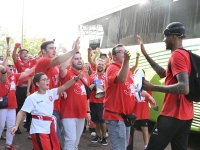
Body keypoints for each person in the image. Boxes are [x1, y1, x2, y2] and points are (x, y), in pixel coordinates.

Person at [137, 22, 193, 150]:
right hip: (186, 115)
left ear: (173, 37)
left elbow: (184, 87)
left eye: (165, 37)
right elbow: (164, 73)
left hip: (172, 114)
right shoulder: (186, 54)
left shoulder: (177, 55)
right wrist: (145, 54)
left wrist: (153, 87)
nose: (164, 40)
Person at [11, 72, 84, 150]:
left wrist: (75, 79)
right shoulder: (32, 98)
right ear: (37, 84)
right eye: (44, 79)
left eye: (47, 79)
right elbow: (21, 112)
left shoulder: (51, 93)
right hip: (38, 130)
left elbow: (65, 86)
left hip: (50, 128)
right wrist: (16, 125)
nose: (47, 81)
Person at [31, 37, 81, 145]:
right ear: (44, 51)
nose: (54, 50)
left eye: (55, 48)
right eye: (51, 48)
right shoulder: (43, 61)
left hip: (55, 106)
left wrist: (73, 52)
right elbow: (57, 60)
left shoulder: (55, 67)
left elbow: (63, 65)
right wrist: (73, 51)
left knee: (51, 140)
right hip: (45, 108)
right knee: (50, 141)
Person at [103, 44, 137, 150]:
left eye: (125, 51)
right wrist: (126, 61)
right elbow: (121, 79)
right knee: (119, 147)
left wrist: (146, 95)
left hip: (124, 117)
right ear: (113, 57)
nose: (124, 53)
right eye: (120, 52)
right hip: (115, 118)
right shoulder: (112, 68)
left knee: (122, 146)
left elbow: (131, 88)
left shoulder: (128, 71)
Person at [0, 49, 35, 150]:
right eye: (9, 66)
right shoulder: (1, 76)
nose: (11, 67)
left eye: (11, 66)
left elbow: (26, 72)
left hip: (12, 105)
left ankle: (8, 144)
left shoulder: (14, 76)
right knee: (1, 126)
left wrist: (37, 65)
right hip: (2, 106)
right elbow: (3, 69)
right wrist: (7, 57)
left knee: (12, 125)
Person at [59, 51, 91, 150]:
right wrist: (72, 52)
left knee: (76, 141)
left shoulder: (86, 77)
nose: (79, 60)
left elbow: (86, 97)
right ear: (70, 61)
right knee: (70, 140)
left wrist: (88, 111)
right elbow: (62, 68)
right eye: (76, 59)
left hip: (81, 113)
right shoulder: (67, 73)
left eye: (80, 58)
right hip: (68, 113)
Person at [12, 43, 37, 134]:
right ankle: (16, 126)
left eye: (26, 52)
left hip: (32, 88)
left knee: (31, 108)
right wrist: (15, 48)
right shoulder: (18, 62)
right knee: (19, 107)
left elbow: (41, 56)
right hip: (21, 88)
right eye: (23, 53)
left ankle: (29, 126)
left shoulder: (32, 61)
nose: (25, 54)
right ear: (19, 55)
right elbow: (14, 56)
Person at [88, 58, 108, 145]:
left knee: (102, 120)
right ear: (96, 65)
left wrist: (101, 88)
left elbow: (109, 88)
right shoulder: (92, 75)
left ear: (105, 66)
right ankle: (98, 135)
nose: (100, 66)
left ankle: (104, 137)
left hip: (102, 101)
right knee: (95, 120)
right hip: (92, 100)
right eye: (99, 64)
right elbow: (87, 86)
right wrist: (91, 86)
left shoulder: (106, 75)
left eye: (102, 64)